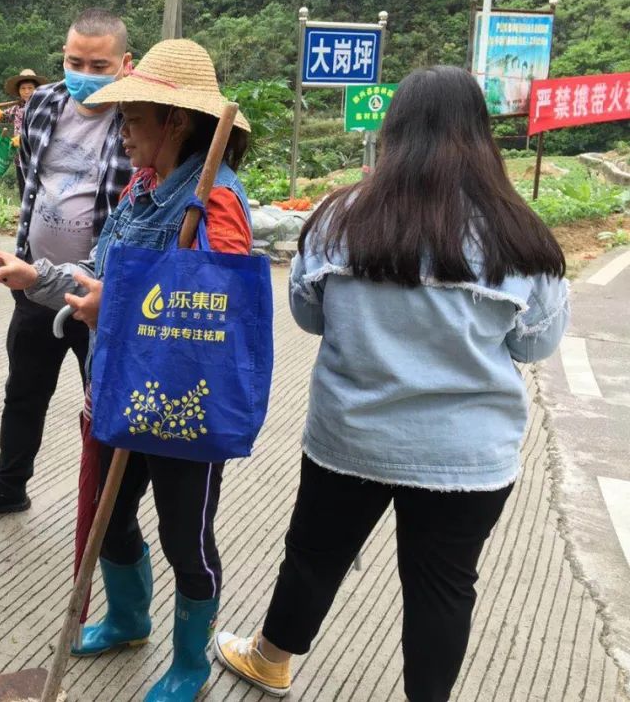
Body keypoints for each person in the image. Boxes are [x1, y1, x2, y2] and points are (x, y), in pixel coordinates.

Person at [214, 65, 569, 702]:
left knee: (314, 553)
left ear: (394, 130)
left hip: (351, 438)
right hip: (468, 455)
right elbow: (533, 344)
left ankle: (270, 660)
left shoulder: (339, 219)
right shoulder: (520, 234)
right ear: (481, 134)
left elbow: (309, 317)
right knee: (443, 587)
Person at [0, 39, 254, 701]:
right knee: (109, 512)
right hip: (118, 387)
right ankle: (129, 620)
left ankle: (189, 665)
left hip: (184, 407)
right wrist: (35, 277)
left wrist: (121, 306)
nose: (121, 133)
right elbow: (99, 275)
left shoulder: (216, 201)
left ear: (174, 122)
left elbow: (221, 311)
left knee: (186, 538)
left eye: (132, 119)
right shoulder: (141, 187)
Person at [0, 9, 133, 522]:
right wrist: (20, 258)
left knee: (102, 402)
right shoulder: (42, 102)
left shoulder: (137, 116)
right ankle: (9, 486)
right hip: (34, 283)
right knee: (23, 392)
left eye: (99, 66)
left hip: (98, 294)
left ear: (125, 63)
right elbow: (30, 181)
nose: (85, 74)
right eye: (75, 62)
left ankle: (106, 509)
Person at [0, 68, 48, 142]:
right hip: (19, 148)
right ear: (19, 91)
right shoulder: (18, 108)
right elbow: (3, 118)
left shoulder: (43, 107)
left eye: (30, 88)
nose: (26, 91)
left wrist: (21, 139)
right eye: (23, 88)